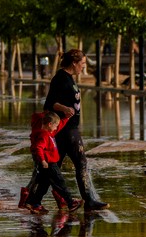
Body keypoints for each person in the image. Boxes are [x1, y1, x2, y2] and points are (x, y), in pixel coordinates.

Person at [44, 49, 109, 211]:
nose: (83, 67)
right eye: (82, 64)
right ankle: (88, 200)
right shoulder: (60, 79)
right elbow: (49, 104)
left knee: (53, 167)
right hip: (65, 129)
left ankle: (34, 198)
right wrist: (64, 108)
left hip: (69, 129)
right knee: (78, 163)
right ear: (74, 63)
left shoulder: (69, 78)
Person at [22, 111, 83, 214]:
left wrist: (66, 118)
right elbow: (38, 147)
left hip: (47, 164)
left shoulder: (49, 133)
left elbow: (59, 127)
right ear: (50, 124)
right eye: (55, 126)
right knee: (60, 183)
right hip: (49, 164)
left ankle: (34, 203)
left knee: (43, 185)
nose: (56, 128)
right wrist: (42, 160)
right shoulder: (44, 135)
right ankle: (71, 202)